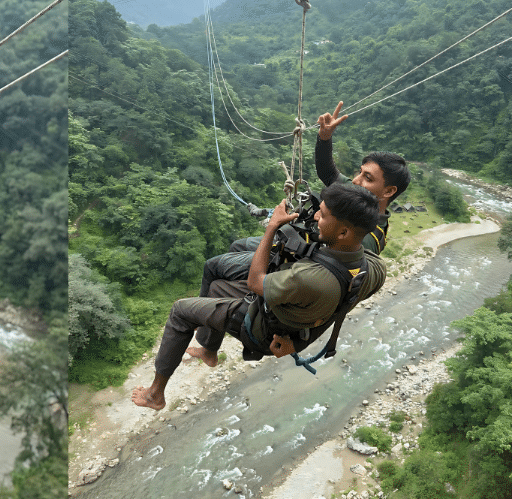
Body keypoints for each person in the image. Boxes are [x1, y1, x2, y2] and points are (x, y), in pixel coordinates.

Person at [131, 182, 386, 411]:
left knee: (181, 311)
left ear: (343, 233)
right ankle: (209, 350)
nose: (317, 216)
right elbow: (339, 307)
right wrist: (300, 343)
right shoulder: (373, 269)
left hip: (262, 327)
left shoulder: (312, 278)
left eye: (324, 215)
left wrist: (273, 226)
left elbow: (255, 282)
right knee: (217, 284)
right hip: (287, 316)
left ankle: (155, 395)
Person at [198, 101, 410, 297]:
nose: (355, 181)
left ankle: (219, 311)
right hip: (292, 246)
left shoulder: (366, 237)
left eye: (367, 178)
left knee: (215, 269)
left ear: (389, 191)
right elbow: (328, 173)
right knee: (237, 245)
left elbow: (335, 280)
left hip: (293, 266)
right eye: (360, 172)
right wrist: (324, 138)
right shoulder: (356, 198)